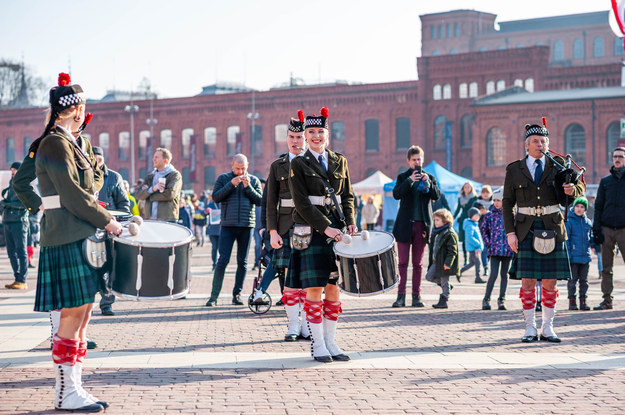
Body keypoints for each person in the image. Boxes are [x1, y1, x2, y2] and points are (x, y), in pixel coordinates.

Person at [13, 72, 123, 412]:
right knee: (72, 317)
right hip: (65, 234)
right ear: (75, 109)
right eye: (83, 105)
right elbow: (73, 194)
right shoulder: (53, 144)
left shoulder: (73, 143)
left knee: (84, 314)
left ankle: (75, 387)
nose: (85, 111)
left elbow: (87, 186)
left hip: (79, 232)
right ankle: (66, 392)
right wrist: (108, 221)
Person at [503, 119, 583, 343]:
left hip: (552, 227)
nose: (540, 145)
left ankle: (548, 327)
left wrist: (572, 188)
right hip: (525, 229)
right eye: (535, 141)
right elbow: (508, 203)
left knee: (550, 282)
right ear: (526, 145)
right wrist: (510, 233)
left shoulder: (558, 165)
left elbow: (579, 187)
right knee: (527, 281)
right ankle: (530, 327)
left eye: (543, 141)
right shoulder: (514, 169)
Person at [287, 107, 356, 362]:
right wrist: (326, 227)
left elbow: (347, 195)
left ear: (328, 134)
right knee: (315, 288)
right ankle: (317, 344)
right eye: (311, 132)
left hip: (338, 233)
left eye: (320, 131)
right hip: (313, 232)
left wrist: (350, 222)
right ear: (305, 135)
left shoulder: (340, 161)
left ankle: (331, 342)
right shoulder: (298, 163)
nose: (316, 136)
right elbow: (302, 204)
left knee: (334, 288)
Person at [264, 111, 309, 341]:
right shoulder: (277, 166)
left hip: (310, 227)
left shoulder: (314, 163)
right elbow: (270, 202)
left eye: (299, 137)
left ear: (306, 139)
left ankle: (306, 325)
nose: (295, 141)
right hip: (285, 228)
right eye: (291, 137)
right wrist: (272, 231)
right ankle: (293, 325)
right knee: (290, 278)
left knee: (308, 280)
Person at [205, 154, 262, 306]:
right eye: (237, 168)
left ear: (247, 166)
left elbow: (259, 201)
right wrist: (231, 184)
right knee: (222, 260)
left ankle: (237, 295)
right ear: (232, 166)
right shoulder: (223, 178)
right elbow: (215, 198)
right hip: (228, 226)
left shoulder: (254, 180)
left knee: (242, 262)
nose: (240, 171)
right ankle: (213, 296)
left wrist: (247, 187)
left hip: (246, 225)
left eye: (243, 168)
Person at [391, 145, 440, 308]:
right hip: (405, 225)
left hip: (422, 226)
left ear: (423, 159)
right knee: (403, 263)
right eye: (414, 160)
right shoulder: (403, 176)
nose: (417, 162)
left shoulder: (429, 177)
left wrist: (429, 183)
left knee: (418, 264)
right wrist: (409, 180)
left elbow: (436, 195)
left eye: (419, 159)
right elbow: (396, 194)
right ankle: (400, 297)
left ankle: (416, 296)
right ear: (408, 161)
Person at [93, 146, 130, 316]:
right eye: (92, 157)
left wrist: (118, 222)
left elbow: (124, 204)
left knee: (109, 266)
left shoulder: (114, 177)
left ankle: (107, 303)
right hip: (89, 228)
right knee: (91, 266)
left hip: (109, 228)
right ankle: (87, 301)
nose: (95, 161)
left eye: (98, 158)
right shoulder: (84, 176)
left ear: (102, 159)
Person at [592, 146, 625, 310]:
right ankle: (607, 300)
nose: (617, 159)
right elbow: (598, 206)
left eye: (620, 156)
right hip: (606, 229)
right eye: (615, 157)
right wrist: (596, 229)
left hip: (624, 230)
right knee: (606, 268)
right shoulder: (605, 182)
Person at [480, 187, 514, 310]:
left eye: (498, 200)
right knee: (493, 274)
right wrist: (488, 244)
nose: (496, 203)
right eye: (494, 200)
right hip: (494, 250)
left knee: (504, 275)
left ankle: (501, 300)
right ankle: (486, 299)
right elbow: (484, 230)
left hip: (507, 250)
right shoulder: (489, 216)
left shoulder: (511, 216)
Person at [1, 161, 30, 289]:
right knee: (11, 251)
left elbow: (26, 205)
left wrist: (7, 204)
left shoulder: (25, 184)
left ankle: (22, 280)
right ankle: (17, 277)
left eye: (15, 169)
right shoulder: (11, 184)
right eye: (12, 169)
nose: (13, 172)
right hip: (8, 220)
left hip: (19, 222)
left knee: (21, 251)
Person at [135, 148, 182, 222]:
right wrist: (153, 189)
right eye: (154, 157)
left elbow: (170, 194)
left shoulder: (175, 175)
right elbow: (138, 195)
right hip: (150, 219)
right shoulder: (150, 176)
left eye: (157, 157)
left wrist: (149, 196)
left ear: (165, 160)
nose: (153, 159)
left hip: (168, 219)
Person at [425, 209, 459, 309]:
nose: (435, 222)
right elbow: (434, 246)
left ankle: (444, 299)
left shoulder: (449, 233)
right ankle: (447, 287)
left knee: (444, 281)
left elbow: (452, 251)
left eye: (437, 220)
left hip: (444, 262)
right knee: (429, 277)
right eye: (434, 220)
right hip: (436, 262)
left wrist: (448, 263)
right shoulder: (436, 232)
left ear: (445, 221)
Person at [565, 197, 593, 311]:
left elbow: (589, 237)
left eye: (582, 207)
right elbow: (567, 239)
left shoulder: (587, 222)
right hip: (573, 256)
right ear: (574, 207)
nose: (579, 209)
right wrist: (568, 254)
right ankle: (572, 301)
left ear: (585, 209)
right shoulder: (569, 221)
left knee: (584, 281)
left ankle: (583, 301)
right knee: (572, 281)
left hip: (585, 256)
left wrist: (593, 244)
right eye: (577, 206)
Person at [453, 182, 478, 267]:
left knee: (471, 238)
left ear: (471, 188)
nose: (467, 189)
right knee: (463, 240)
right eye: (465, 187)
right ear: (463, 188)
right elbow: (458, 209)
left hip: (471, 219)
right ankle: (465, 259)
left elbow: (476, 209)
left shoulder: (474, 198)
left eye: (468, 187)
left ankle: (474, 259)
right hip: (463, 219)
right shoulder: (460, 198)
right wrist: (453, 218)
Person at [459, 208, 485, 283]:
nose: (478, 217)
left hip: (475, 247)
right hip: (474, 248)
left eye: (478, 215)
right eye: (476, 215)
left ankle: (459, 272)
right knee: (478, 262)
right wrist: (478, 244)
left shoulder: (474, 224)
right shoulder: (470, 225)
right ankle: (478, 278)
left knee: (472, 263)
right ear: (471, 216)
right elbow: (470, 237)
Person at [473, 185, 493, 277]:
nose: (485, 194)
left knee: (490, 249)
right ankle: (486, 267)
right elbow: (472, 214)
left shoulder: (495, 202)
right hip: (481, 229)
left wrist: (489, 213)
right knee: (484, 249)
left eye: (487, 192)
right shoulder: (476, 203)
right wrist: (480, 214)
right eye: (483, 192)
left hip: (493, 229)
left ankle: (487, 265)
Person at [205, 192, 220, 270]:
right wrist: (207, 211)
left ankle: (220, 264)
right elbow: (205, 213)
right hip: (212, 230)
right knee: (214, 247)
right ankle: (214, 264)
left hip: (221, 229)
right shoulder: (210, 204)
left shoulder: (222, 204)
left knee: (221, 248)